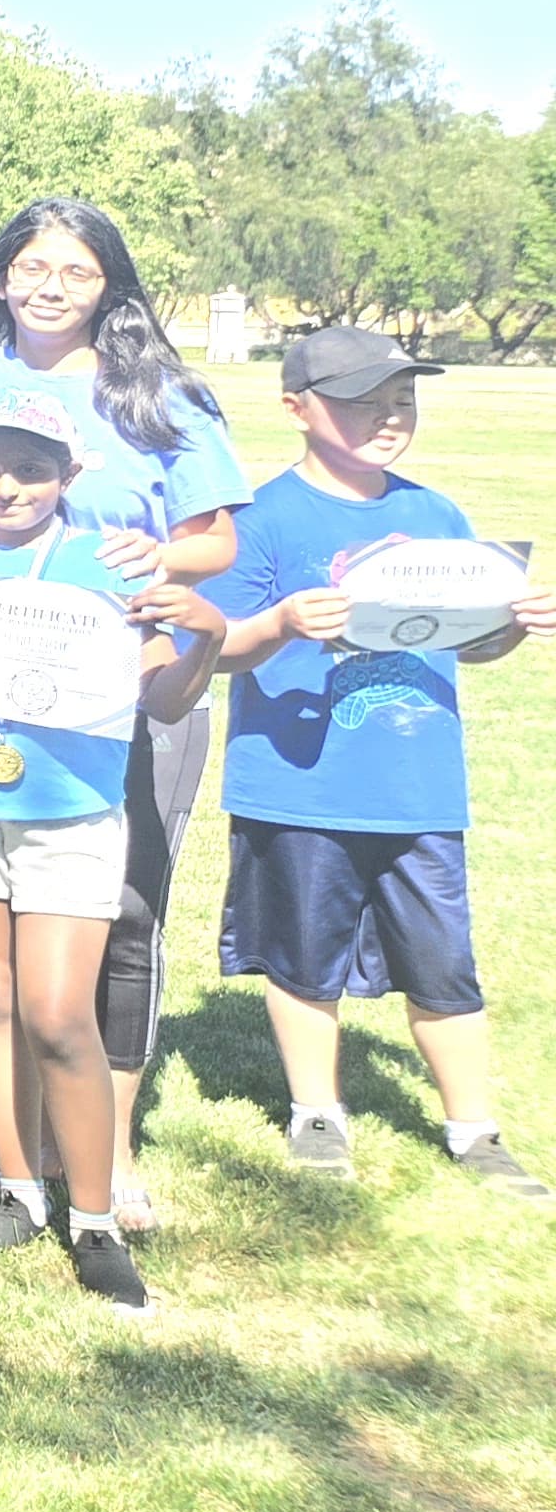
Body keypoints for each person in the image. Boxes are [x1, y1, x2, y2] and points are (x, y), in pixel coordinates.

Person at [0, 196, 245, 1230]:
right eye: (32, 265)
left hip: (128, 672)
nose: (51, 285)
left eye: (77, 271)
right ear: (2, 273)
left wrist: (160, 558)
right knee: (0, 918)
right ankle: (24, 1160)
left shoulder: (159, 392)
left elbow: (213, 542)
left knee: (126, 909)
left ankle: (110, 1147)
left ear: (110, 285)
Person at [0, 384, 221, 1318]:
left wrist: (205, 639)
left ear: (70, 474)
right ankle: (18, 1193)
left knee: (57, 1012)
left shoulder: (109, 565)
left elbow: (161, 699)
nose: (7, 486)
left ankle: (96, 1219)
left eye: (31, 468)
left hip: (73, 810)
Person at [200, 326, 554, 1200]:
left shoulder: (435, 517)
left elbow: (471, 646)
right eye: (362, 401)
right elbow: (215, 650)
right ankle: (317, 1111)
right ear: (296, 408)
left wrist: (511, 627)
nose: (388, 418)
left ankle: (473, 1127)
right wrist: (280, 623)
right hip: (299, 783)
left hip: (416, 788)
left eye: (403, 401)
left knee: (443, 964)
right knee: (303, 959)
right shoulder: (262, 518)